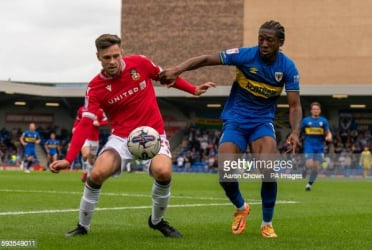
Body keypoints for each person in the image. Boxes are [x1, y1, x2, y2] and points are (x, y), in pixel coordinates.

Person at [49, 34, 215, 237]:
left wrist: (192, 89)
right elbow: (84, 123)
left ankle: (157, 221)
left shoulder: (141, 64)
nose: (112, 61)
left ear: (121, 53)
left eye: (115, 56)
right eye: (106, 57)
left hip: (153, 134)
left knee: (163, 172)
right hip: (121, 139)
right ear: (98, 57)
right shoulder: (95, 88)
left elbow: (165, 77)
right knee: (97, 174)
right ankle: (83, 227)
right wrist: (68, 158)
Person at [160, 20, 302, 238]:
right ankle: (241, 207)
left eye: (269, 40)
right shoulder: (245, 55)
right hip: (235, 120)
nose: (263, 44)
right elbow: (207, 58)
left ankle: (267, 223)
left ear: (280, 42)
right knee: (225, 173)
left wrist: (294, 132)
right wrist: (177, 70)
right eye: (260, 39)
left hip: (262, 123)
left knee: (267, 169)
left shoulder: (288, 68)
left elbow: (294, 105)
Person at [301, 102, 332, 191]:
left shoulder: (323, 121)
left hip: (320, 147)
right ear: (311, 111)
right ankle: (305, 168)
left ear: (320, 111)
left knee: (316, 167)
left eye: (317, 109)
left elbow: (327, 132)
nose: (316, 111)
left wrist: (329, 136)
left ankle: (309, 185)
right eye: (314, 109)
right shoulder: (306, 121)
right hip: (309, 145)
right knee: (309, 164)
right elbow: (299, 130)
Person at [72, 106, 108, 182]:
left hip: (94, 139)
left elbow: (105, 121)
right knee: (85, 155)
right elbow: (77, 119)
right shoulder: (81, 109)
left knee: (91, 160)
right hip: (83, 136)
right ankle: (85, 172)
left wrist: (99, 123)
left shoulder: (99, 110)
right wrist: (74, 127)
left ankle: (89, 174)